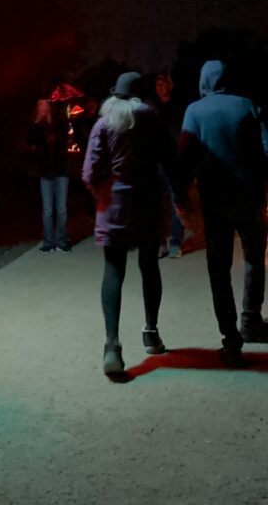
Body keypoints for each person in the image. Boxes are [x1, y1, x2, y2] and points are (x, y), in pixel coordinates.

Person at [82, 71, 181, 376]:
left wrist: (103, 194)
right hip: (148, 204)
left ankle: (112, 345)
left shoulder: (103, 124)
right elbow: (171, 160)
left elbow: (89, 173)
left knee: (113, 271)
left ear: (115, 96)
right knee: (149, 265)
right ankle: (151, 332)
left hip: (114, 207)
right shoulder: (152, 121)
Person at [179, 60, 268, 365]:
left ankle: (231, 340)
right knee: (255, 259)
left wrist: (181, 193)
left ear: (204, 81)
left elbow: (185, 154)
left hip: (215, 202)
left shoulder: (194, 111)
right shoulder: (246, 105)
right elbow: (265, 149)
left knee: (219, 269)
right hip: (251, 197)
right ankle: (251, 321)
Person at [31, 84, 73, 253]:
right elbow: (31, 141)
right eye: (39, 105)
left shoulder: (59, 123)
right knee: (47, 210)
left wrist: (51, 127)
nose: (42, 108)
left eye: (44, 105)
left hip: (61, 169)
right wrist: (36, 123)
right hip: (45, 171)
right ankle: (48, 242)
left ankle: (62, 242)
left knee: (61, 209)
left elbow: (65, 139)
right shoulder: (36, 127)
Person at [154, 72, 184, 259]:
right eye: (157, 84)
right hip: (156, 163)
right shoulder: (152, 109)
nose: (160, 87)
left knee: (175, 203)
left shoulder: (179, 107)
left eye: (163, 83)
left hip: (174, 162)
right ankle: (160, 243)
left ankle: (175, 243)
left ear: (170, 85)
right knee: (156, 205)